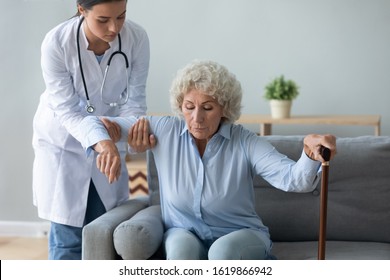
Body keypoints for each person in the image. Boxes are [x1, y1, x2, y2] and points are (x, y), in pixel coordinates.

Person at [79, 60, 337, 260]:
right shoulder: (164, 129)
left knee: (221, 254)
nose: (197, 118)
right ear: (180, 106)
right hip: (183, 230)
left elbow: (296, 180)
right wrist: (107, 146)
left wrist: (309, 153)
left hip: (240, 234)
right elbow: (93, 123)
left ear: (224, 108)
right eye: (189, 107)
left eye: (208, 108)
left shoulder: (245, 141)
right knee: (180, 253)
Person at [32, 0, 154, 260]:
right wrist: (101, 138)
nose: (114, 28)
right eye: (103, 20)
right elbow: (68, 111)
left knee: (103, 232)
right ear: (81, 10)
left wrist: (117, 129)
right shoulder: (56, 43)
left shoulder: (137, 38)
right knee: (68, 239)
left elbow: (135, 104)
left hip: (111, 141)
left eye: (121, 17)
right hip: (63, 145)